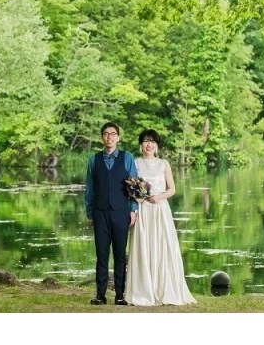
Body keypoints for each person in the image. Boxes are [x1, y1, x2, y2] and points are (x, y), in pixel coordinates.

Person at [126, 129, 196, 306]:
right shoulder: (135, 163)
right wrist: (138, 197)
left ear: (157, 145)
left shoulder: (164, 163)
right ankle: (143, 290)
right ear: (140, 144)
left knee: (162, 245)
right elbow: (130, 188)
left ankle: (164, 289)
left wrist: (159, 197)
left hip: (160, 210)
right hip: (142, 210)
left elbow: (172, 189)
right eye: (145, 141)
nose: (149, 145)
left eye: (152, 141)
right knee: (143, 246)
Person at [84, 122, 138, 305]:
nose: (109, 137)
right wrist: (89, 213)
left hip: (121, 212)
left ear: (118, 137)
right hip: (99, 213)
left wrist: (133, 210)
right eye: (106, 134)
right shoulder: (94, 160)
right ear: (102, 137)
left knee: (120, 255)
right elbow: (89, 189)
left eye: (113, 134)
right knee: (101, 254)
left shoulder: (127, 157)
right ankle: (100, 295)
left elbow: (134, 187)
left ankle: (120, 295)